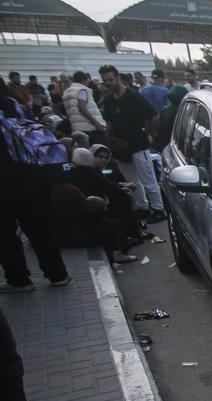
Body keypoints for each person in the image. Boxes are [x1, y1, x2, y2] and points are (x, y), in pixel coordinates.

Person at [0, 81, 69, 292]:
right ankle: (58, 274)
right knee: (41, 230)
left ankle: (19, 280)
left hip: (4, 185)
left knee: (5, 235)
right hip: (34, 179)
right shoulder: (16, 107)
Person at [99, 65, 164, 223]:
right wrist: (110, 141)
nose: (108, 83)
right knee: (132, 180)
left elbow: (153, 117)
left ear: (118, 78)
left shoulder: (133, 97)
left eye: (111, 79)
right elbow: (108, 123)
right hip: (120, 146)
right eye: (105, 80)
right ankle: (142, 207)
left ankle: (158, 208)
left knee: (148, 178)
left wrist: (147, 134)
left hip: (137, 144)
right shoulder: (108, 100)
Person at [52, 149, 135, 263]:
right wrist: (123, 189)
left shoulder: (69, 174)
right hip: (80, 231)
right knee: (116, 225)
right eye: (100, 157)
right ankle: (118, 254)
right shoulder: (86, 172)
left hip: (65, 231)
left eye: (106, 157)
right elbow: (107, 186)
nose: (103, 160)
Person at [64, 71, 106, 145]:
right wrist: (97, 124)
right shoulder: (82, 90)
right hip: (90, 129)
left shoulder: (67, 92)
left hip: (77, 128)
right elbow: (82, 107)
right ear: (85, 80)